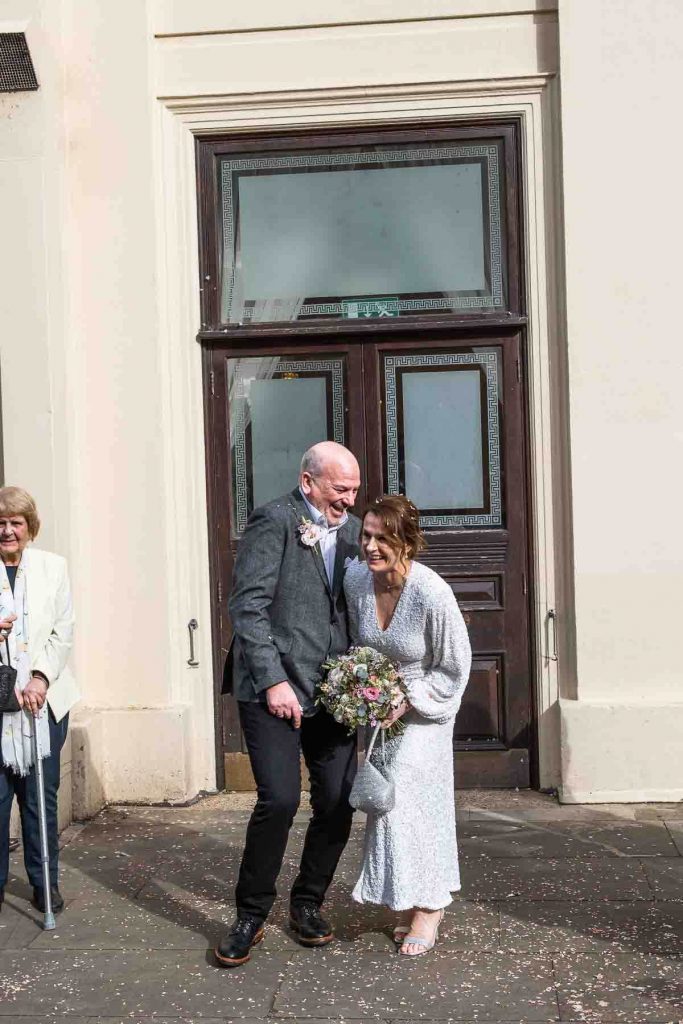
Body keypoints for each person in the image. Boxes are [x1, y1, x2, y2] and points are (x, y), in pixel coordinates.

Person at [215, 441, 361, 967]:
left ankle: (307, 903)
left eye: (354, 490)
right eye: (339, 489)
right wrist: (274, 680)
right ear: (308, 483)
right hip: (272, 687)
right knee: (278, 800)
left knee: (339, 800)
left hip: (333, 690)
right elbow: (247, 606)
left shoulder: (353, 528)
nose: (348, 500)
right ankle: (251, 913)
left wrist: (366, 677)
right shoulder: (273, 520)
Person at [344, 494, 471, 956]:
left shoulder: (431, 591)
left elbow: (455, 666)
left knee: (407, 802)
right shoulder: (357, 579)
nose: (371, 546)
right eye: (366, 535)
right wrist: (359, 689)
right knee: (385, 803)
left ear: (407, 542)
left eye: (382, 538)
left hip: (425, 712)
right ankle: (406, 895)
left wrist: (409, 700)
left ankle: (430, 905)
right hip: (378, 714)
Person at [0, 486, 78, 914]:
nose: (8, 530)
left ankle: (44, 882)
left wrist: (40, 678)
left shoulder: (53, 567)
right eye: (1, 523)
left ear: (30, 527)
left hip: (42, 703)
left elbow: (63, 630)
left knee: (38, 798)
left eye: (16, 522)